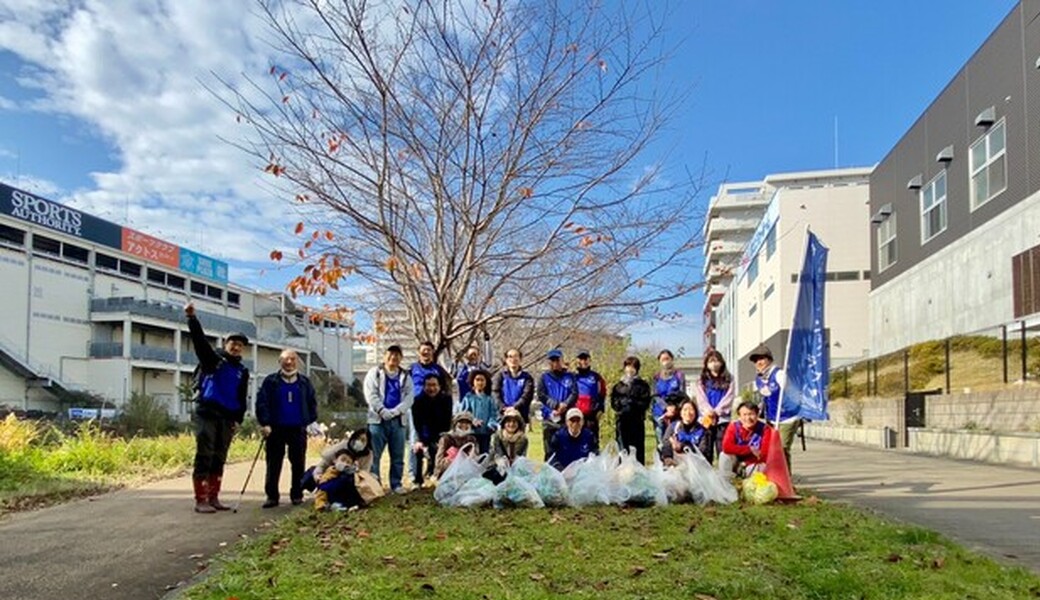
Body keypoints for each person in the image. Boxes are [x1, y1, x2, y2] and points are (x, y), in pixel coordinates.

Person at [185, 303, 250, 514]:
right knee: (205, 454)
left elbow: (241, 396)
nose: (236, 347)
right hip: (207, 413)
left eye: (240, 345)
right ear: (226, 343)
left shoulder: (242, 370)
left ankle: (214, 497)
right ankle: (200, 499)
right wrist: (192, 319)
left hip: (227, 418)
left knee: (219, 457)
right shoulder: (214, 360)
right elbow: (199, 343)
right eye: (233, 343)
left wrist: (237, 420)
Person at [255, 349, 318, 508]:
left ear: (296, 361)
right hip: (275, 429)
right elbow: (262, 403)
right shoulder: (271, 381)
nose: (289, 362)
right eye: (285, 359)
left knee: (298, 463)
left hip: (297, 428)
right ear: (279, 361)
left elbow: (312, 403)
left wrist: (310, 421)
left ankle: (297, 494)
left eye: (292, 359)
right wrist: (265, 423)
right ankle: (272, 496)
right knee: (273, 463)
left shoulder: (304, 382)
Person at [364, 345, 414, 494]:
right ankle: (375, 484)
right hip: (377, 420)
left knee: (398, 455)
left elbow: (409, 397)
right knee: (374, 455)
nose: (394, 357)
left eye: (397, 355)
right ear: (384, 356)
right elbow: (370, 394)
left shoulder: (405, 376)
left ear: (401, 358)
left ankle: (396, 484)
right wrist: (382, 410)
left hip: (398, 421)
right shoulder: (375, 373)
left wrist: (396, 411)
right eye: (391, 354)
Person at [750, 343, 798, 471]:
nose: (758, 362)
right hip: (771, 419)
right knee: (772, 450)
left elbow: (793, 394)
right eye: (756, 360)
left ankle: (787, 481)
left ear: (769, 359)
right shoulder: (759, 379)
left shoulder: (779, 374)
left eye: (761, 359)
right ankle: (776, 477)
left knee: (782, 449)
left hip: (787, 418)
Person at [409, 374, 453, 488]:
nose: (431, 388)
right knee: (417, 449)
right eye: (428, 385)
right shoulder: (417, 401)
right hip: (424, 434)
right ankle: (417, 479)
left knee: (441, 448)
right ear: (424, 386)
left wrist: (441, 439)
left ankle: (441, 476)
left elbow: (447, 422)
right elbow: (418, 423)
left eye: (434, 385)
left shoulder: (446, 400)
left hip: (441, 434)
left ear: (439, 386)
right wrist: (422, 441)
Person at [693, 349, 735, 464]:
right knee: (706, 448)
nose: (714, 364)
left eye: (717, 361)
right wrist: (709, 411)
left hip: (722, 419)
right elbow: (701, 398)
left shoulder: (729, 378)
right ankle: (707, 475)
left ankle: (724, 475)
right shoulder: (701, 380)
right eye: (711, 361)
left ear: (722, 362)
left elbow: (729, 397)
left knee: (722, 448)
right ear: (706, 364)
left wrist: (717, 411)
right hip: (706, 419)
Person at [610, 356, 652, 465]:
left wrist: (633, 403)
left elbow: (645, 402)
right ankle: (623, 472)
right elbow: (613, 402)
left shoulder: (642, 385)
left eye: (633, 367)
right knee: (623, 449)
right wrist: (621, 405)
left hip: (637, 422)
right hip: (622, 421)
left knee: (637, 450)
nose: (630, 369)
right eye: (628, 366)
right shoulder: (618, 386)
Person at [535, 349, 577, 458]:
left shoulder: (570, 376)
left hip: (566, 419)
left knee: (567, 450)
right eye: (552, 360)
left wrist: (565, 404)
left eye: (557, 360)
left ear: (562, 360)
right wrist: (556, 406)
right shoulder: (544, 377)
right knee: (549, 452)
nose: (555, 363)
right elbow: (541, 395)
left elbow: (574, 393)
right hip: (549, 417)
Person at [720, 401, 774, 477]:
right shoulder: (733, 426)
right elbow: (726, 447)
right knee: (724, 455)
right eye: (744, 415)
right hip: (736, 460)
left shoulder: (765, 429)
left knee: (762, 468)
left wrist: (746, 463)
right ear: (739, 416)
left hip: (753, 462)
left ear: (757, 415)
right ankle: (727, 483)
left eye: (751, 414)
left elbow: (764, 453)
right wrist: (750, 449)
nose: (748, 418)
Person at [572, 350, 607, 452]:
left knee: (593, 441)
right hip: (576, 415)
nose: (583, 361)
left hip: (591, 415)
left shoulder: (596, 377)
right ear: (577, 360)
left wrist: (600, 409)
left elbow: (603, 393)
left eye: (585, 359)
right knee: (576, 441)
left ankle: (594, 463)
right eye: (581, 359)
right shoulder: (573, 376)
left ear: (589, 360)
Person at [457, 369, 498, 454]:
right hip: (470, 433)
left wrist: (491, 424)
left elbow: (493, 414)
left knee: (484, 454)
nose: (480, 382)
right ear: (473, 382)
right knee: (470, 454)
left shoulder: (489, 399)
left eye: (482, 380)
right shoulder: (468, 398)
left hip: (485, 433)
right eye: (477, 380)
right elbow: (464, 414)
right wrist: (473, 420)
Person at [651, 350, 687, 445]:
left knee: (675, 441)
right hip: (659, 413)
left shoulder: (679, 375)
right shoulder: (656, 377)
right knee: (661, 443)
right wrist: (666, 407)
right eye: (663, 359)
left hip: (675, 413)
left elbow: (682, 393)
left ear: (672, 359)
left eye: (667, 358)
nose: (665, 361)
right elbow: (655, 395)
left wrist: (674, 408)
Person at [659, 399, 710, 465]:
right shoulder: (674, 427)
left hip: (695, 465)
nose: (688, 413)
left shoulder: (702, 431)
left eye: (691, 409)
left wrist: (682, 447)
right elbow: (665, 442)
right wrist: (668, 456)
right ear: (680, 412)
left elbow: (703, 450)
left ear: (696, 413)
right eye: (685, 409)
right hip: (675, 463)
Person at [491, 348, 534, 424]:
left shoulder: (527, 378)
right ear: (506, 360)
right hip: (503, 416)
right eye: (510, 356)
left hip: (521, 417)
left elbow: (527, 395)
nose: (513, 359)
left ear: (520, 359)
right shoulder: (500, 376)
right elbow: (495, 393)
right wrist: (503, 408)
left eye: (516, 356)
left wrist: (515, 408)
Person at [434, 412, 479, 477]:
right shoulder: (446, 438)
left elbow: (475, 460)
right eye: (461, 422)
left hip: (465, 474)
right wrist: (454, 462)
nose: (464, 425)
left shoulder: (472, 440)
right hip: (446, 474)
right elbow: (438, 463)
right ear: (455, 424)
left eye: (467, 423)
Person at [454, 332, 493, 401]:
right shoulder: (461, 369)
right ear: (466, 356)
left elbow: (488, 361)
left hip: (481, 401)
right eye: (471, 355)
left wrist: (487, 341)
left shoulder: (482, 368)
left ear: (478, 356)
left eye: (475, 354)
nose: (473, 357)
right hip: (465, 401)